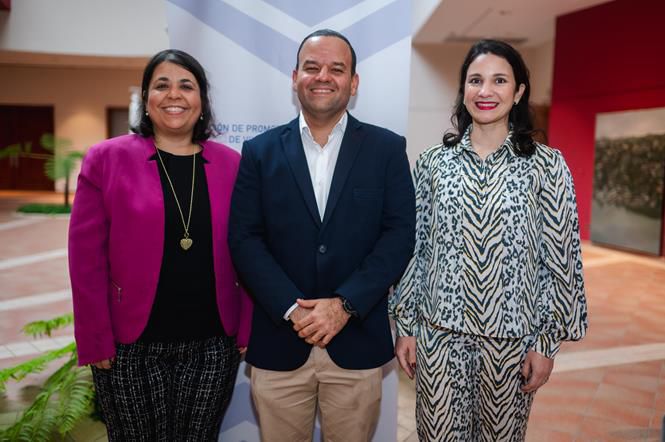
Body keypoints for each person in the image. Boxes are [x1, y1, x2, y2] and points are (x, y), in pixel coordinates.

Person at [390, 39, 588, 441]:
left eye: (499, 80)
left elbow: (561, 260)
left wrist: (546, 343)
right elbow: (416, 251)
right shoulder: (432, 164)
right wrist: (406, 325)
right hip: (439, 338)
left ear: (518, 92)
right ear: (463, 90)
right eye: (475, 80)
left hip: (512, 344)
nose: (486, 91)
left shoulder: (547, 166)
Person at [228, 29, 415, 442]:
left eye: (337, 68)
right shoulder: (259, 151)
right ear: (295, 77)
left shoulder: (386, 149)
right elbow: (244, 238)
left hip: (356, 342)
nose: (323, 76)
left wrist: (345, 305)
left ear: (354, 82)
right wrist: (292, 309)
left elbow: (399, 235)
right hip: (280, 340)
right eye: (312, 67)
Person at [68, 49, 252, 441]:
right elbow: (85, 261)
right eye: (161, 85)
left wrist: (247, 326)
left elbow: (249, 248)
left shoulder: (231, 164)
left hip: (211, 345)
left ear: (201, 101)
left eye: (186, 85)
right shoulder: (107, 159)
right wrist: (94, 337)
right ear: (146, 99)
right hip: (129, 345)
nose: (174, 95)